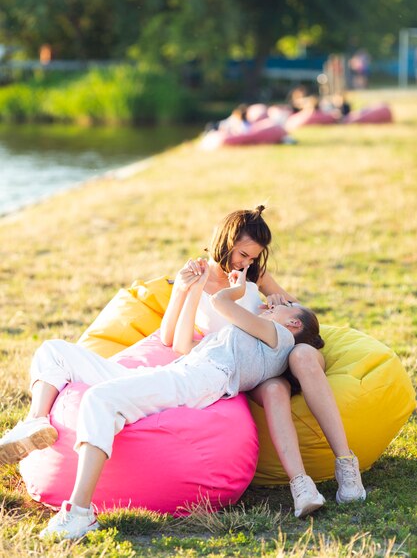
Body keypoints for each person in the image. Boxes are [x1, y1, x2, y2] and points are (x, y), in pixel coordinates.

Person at [0, 259, 322, 540]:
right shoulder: (264, 333)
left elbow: (224, 305)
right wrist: (190, 290)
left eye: (281, 306)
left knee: (100, 400)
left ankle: (79, 512)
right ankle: (36, 422)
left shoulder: (279, 338)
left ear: (293, 324)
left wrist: (238, 291)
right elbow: (183, 343)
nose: (271, 303)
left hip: (197, 380)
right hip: (180, 370)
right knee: (54, 351)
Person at [161, 206, 366, 518]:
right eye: (243, 254)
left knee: (303, 354)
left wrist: (280, 303)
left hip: (278, 349)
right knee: (273, 391)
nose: (247, 263)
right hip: (247, 367)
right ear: (225, 241)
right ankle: (301, 485)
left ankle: (346, 464)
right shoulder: (194, 277)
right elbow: (169, 337)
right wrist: (189, 287)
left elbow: (300, 316)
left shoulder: (254, 275)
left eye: (253, 257)